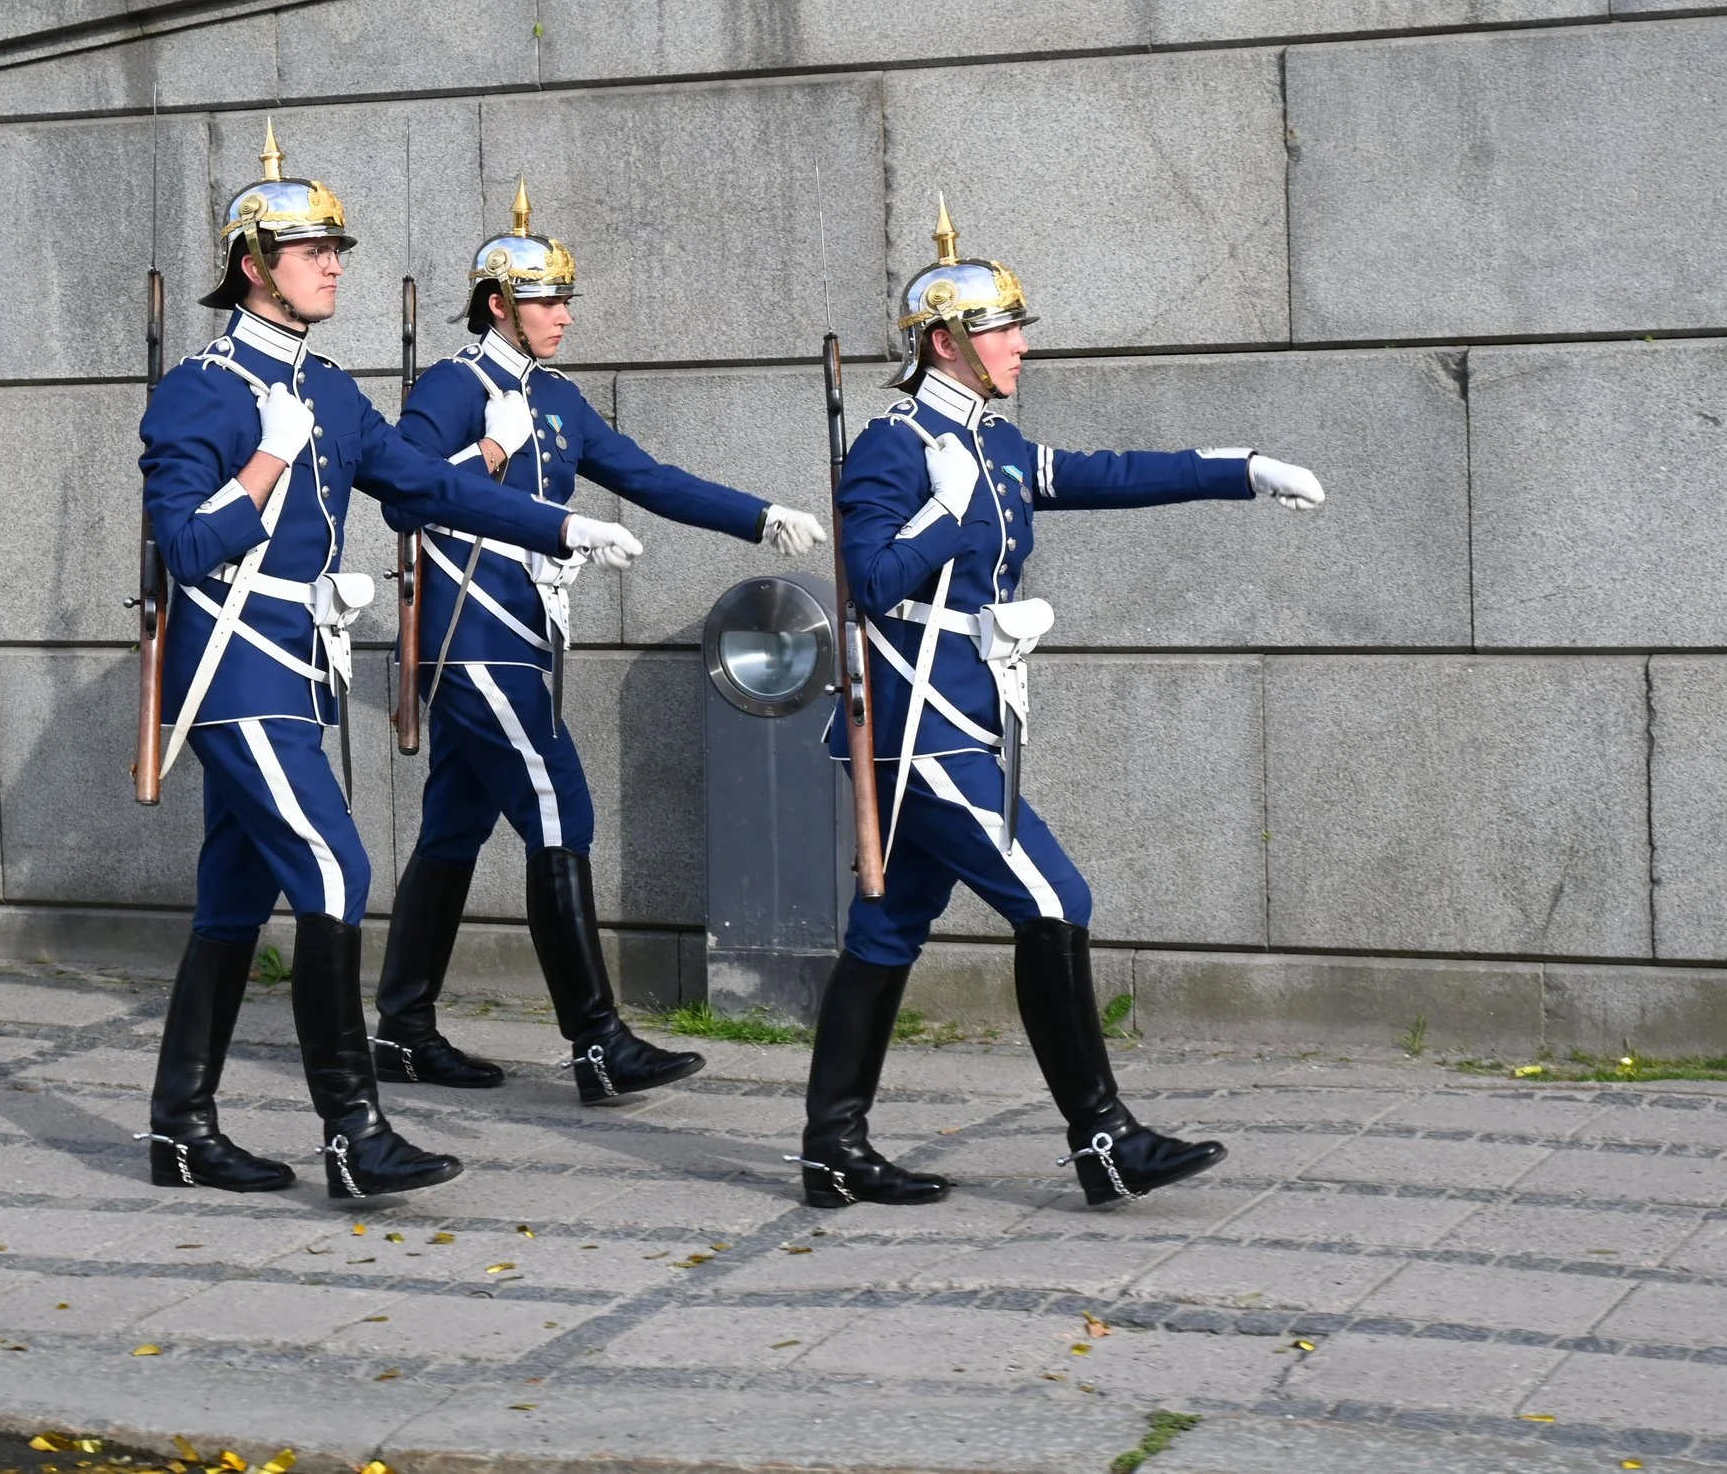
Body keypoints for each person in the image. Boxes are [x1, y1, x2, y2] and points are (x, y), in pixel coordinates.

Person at [136, 127, 643, 1200]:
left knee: (231, 902)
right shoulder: (203, 392)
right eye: (311, 248)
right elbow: (183, 546)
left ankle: (179, 1125)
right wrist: (267, 457)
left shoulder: (328, 391)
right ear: (250, 265)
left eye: (335, 247)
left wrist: (556, 528)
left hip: (293, 668)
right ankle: (352, 1129)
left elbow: (425, 487)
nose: (332, 263)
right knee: (334, 871)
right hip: (231, 674)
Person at [799, 201, 1326, 1208]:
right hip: (918, 735)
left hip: (967, 722)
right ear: (946, 340)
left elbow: (1104, 473)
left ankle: (833, 1147)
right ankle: (1103, 1136)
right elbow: (867, 580)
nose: (1022, 345)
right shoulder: (892, 447)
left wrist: (1240, 469)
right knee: (1053, 900)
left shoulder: (992, 445)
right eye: (1003, 328)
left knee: (886, 928)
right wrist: (946, 517)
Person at [373, 185, 829, 1103]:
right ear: (498, 305)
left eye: (564, 299)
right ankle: (596, 1041)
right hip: (472, 633)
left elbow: (646, 477)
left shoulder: (559, 398)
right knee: (559, 808)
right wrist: (491, 456)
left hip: (525, 633)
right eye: (546, 301)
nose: (563, 316)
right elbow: (403, 495)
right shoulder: (453, 388)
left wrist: (757, 514)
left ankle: (405, 1027)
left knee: (455, 825)